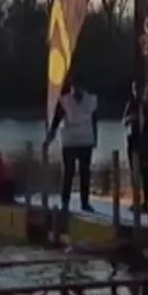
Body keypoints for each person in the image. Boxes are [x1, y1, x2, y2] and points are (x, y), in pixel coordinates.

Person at [46, 81, 98, 212]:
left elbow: (94, 120)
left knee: (85, 172)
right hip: (70, 141)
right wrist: (51, 136)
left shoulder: (91, 100)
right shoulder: (64, 101)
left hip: (86, 140)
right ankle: (65, 202)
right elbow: (56, 120)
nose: (76, 91)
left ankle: (85, 202)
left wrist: (95, 138)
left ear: (83, 87)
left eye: (78, 87)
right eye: (73, 88)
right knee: (68, 172)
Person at [122, 81, 148, 213]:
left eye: (139, 89)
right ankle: (136, 200)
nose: (137, 92)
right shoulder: (131, 104)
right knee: (135, 172)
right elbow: (124, 121)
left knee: (146, 172)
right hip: (133, 140)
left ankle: (146, 201)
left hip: (146, 140)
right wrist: (132, 118)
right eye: (134, 89)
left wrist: (145, 116)